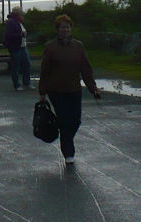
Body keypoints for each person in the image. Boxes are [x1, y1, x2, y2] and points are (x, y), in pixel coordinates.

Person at [38, 13, 101, 165]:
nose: (65, 30)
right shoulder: (51, 47)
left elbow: (86, 69)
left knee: (76, 121)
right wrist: (42, 92)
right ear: (57, 29)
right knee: (65, 121)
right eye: (62, 28)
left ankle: (65, 136)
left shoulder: (78, 46)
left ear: (71, 29)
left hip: (74, 89)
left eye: (67, 27)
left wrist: (93, 88)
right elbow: (45, 71)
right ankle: (68, 153)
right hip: (56, 91)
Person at [2, 8, 31, 90]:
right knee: (16, 66)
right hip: (16, 47)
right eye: (21, 15)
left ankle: (27, 83)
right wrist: (21, 34)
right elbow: (9, 35)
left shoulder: (19, 23)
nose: (23, 16)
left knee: (27, 64)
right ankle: (17, 85)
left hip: (22, 46)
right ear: (17, 15)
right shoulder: (11, 22)